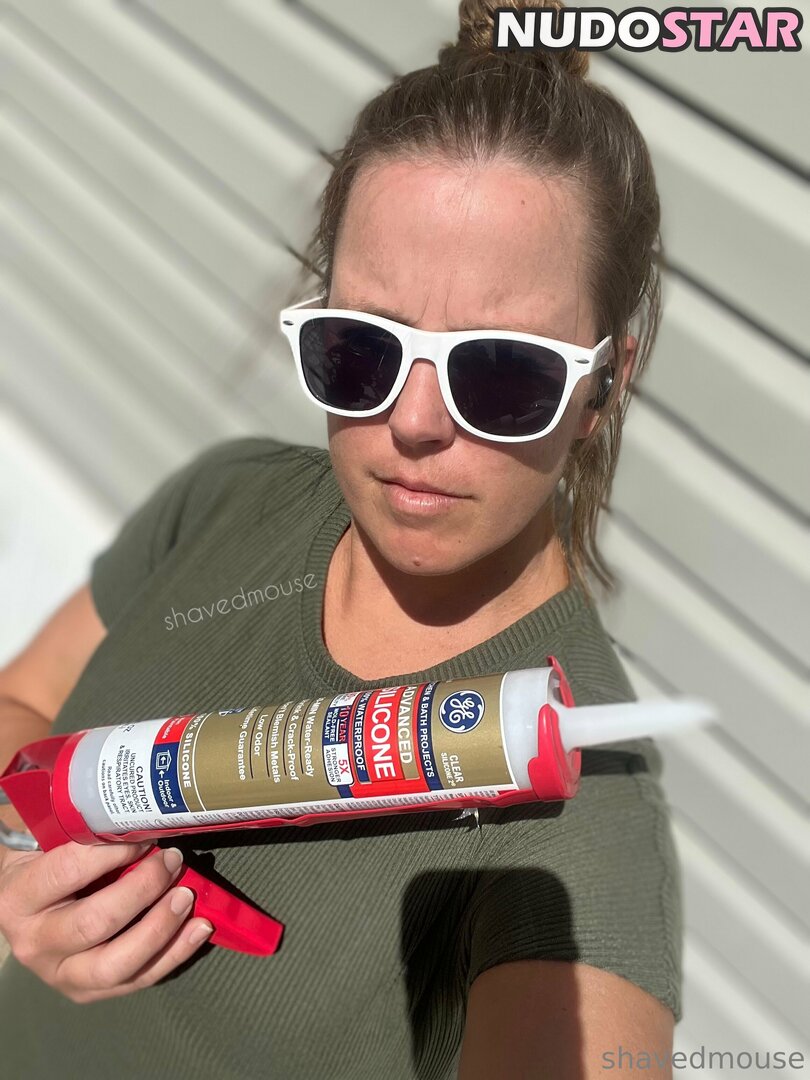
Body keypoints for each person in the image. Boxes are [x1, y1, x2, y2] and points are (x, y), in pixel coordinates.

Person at [0, 1, 682, 1076]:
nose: (414, 423)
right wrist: (16, 862)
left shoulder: (583, 823)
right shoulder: (225, 501)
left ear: (604, 385)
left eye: (502, 371)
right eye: (362, 348)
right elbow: (22, 705)